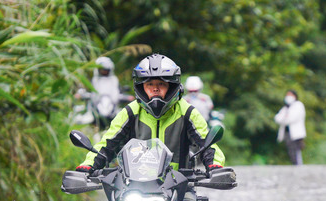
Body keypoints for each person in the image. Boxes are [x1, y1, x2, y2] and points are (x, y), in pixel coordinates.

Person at [75, 54, 225, 175]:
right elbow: (107, 143)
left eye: (161, 84)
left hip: (180, 185)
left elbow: (207, 143)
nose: (155, 89)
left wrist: (214, 165)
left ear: (171, 86)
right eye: (150, 84)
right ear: (141, 87)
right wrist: (88, 166)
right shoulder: (130, 111)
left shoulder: (187, 111)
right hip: (135, 186)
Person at [274, 90, 306, 165]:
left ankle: (298, 165)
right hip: (288, 133)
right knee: (290, 150)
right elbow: (277, 118)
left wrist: (284, 119)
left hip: (296, 133)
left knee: (296, 150)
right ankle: (294, 165)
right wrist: (285, 118)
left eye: (290, 95)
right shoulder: (286, 107)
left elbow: (292, 118)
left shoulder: (298, 105)